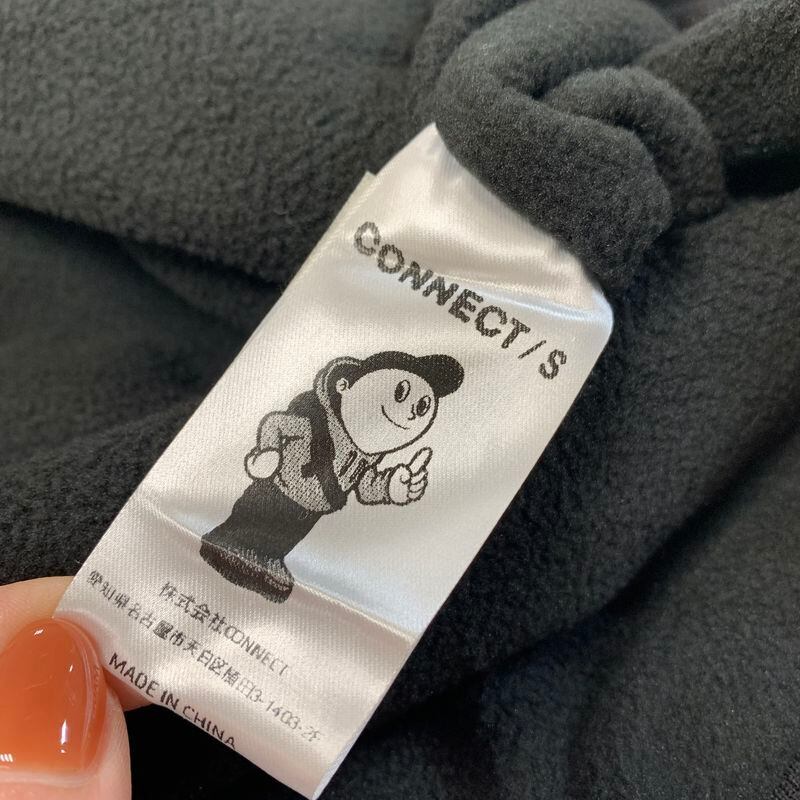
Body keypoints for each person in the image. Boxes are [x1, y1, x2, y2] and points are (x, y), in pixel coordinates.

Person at [200, 351, 464, 602]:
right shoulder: (314, 422)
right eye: (400, 393)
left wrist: (392, 486)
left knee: (284, 537)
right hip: (279, 490)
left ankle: (268, 558)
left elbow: (366, 486)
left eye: (421, 408)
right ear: (343, 385)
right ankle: (229, 542)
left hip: (312, 511)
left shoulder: (365, 458)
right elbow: (276, 424)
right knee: (255, 518)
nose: (409, 413)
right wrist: (267, 453)